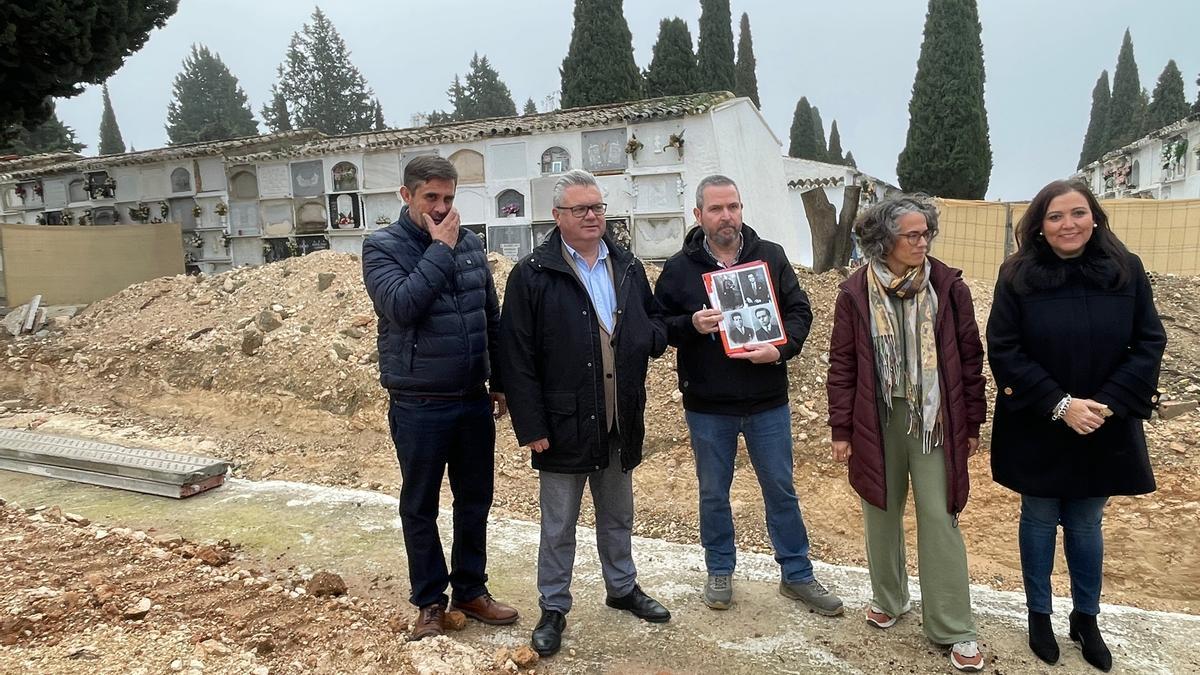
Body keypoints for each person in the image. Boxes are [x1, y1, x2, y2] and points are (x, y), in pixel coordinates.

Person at [987, 179, 1165, 672]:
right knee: (1040, 520)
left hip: (1102, 424)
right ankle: (1039, 615)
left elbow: (1149, 342)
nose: (1069, 224)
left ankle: (1086, 618)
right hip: (1039, 421)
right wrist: (1060, 403)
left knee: (1086, 523)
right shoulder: (1017, 275)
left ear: (1095, 217)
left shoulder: (1125, 271)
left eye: (1078, 213)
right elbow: (1004, 348)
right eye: (1056, 216)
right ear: (1040, 226)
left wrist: (1105, 404)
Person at [654, 174, 842, 616]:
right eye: (716, 209)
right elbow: (658, 326)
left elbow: (800, 311)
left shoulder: (770, 257)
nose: (727, 217)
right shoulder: (679, 270)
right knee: (714, 493)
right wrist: (690, 326)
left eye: (733, 207)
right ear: (698, 215)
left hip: (767, 402)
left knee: (780, 489)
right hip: (708, 406)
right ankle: (719, 568)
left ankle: (797, 574)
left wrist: (779, 350)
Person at [499, 170, 670, 658]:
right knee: (558, 525)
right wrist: (531, 426)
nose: (594, 216)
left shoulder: (628, 266)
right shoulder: (532, 274)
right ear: (558, 217)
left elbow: (652, 322)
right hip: (562, 421)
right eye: (582, 209)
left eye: (598, 207)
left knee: (618, 514)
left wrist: (647, 338)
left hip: (619, 416)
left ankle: (622, 587)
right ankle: (553, 607)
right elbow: (517, 356)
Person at [826, 196, 986, 672]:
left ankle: (954, 625)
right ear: (884, 240)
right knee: (880, 508)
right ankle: (890, 599)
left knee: (940, 517)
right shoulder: (855, 291)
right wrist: (841, 427)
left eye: (926, 233)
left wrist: (972, 422)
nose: (922, 242)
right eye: (911, 235)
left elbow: (970, 358)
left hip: (935, 417)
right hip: (877, 417)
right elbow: (843, 363)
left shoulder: (948, 286)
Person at [361, 155, 517, 641]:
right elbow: (402, 306)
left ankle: (471, 589)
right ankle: (430, 600)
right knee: (420, 504)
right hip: (419, 402)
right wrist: (439, 249)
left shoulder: (470, 244)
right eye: (432, 197)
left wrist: (500, 380)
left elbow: (489, 317)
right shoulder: (381, 247)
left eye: (449, 198)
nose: (442, 207)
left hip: (472, 400)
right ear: (406, 196)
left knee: (475, 501)